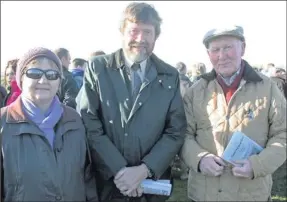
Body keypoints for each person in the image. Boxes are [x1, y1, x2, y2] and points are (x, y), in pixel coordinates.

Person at [77, 2, 186, 202]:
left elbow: (175, 131)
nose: (140, 39)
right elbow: (89, 122)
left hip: (151, 185)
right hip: (108, 183)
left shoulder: (170, 75)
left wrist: (144, 170)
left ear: (156, 36)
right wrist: (120, 171)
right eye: (134, 31)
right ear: (122, 32)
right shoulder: (98, 68)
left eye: (147, 32)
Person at [180, 25, 287, 201]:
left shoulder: (268, 88)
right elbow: (183, 134)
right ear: (208, 54)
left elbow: (283, 134)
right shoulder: (195, 91)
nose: (222, 56)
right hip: (204, 194)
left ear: (243, 48)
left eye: (228, 47)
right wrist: (200, 159)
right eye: (215, 50)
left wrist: (257, 165)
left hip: (251, 194)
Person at [1, 47, 98, 201]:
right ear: (21, 79)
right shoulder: (3, 123)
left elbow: (87, 178)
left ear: (60, 81)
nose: (43, 80)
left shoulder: (75, 120)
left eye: (52, 74)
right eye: (34, 73)